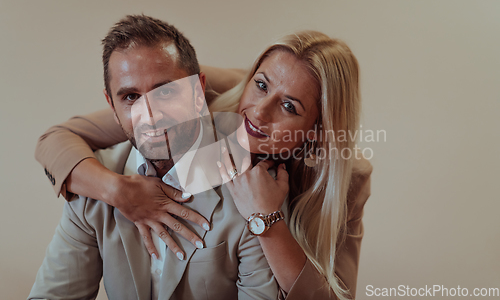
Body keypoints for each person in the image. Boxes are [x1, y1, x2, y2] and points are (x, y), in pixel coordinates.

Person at [35, 25, 372, 299]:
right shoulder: (195, 99)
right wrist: (119, 191)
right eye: (260, 85)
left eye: (289, 107)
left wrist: (265, 221)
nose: (258, 111)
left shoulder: (346, 178)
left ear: (317, 131)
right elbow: (55, 140)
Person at [29, 15, 278, 300]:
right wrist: (117, 191)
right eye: (131, 97)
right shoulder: (91, 189)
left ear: (199, 92)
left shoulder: (252, 188)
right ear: (111, 105)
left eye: (167, 91)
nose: (150, 115)